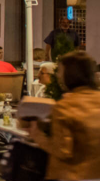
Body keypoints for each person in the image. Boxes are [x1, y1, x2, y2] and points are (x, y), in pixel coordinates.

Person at [28, 52, 100, 180]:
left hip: (73, 174)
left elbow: (62, 150)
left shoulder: (65, 106)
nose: (58, 75)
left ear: (69, 75)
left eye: (60, 71)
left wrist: (37, 135)